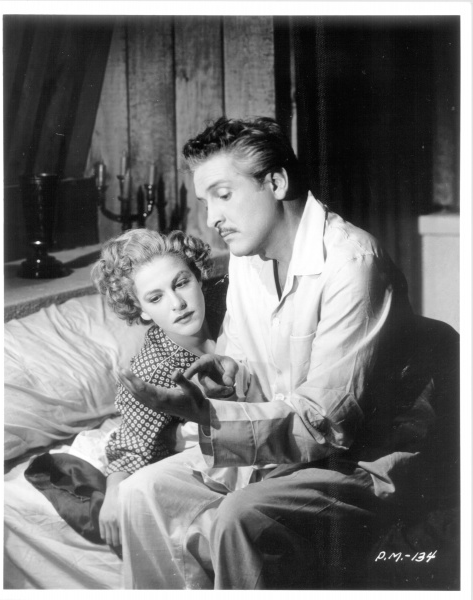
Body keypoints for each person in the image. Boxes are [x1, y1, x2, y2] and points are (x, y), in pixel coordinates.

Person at [117, 117, 429, 590]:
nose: (211, 218)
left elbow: (327, 423)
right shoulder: (247, 260)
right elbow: (245, 358)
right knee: (139, 492)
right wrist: (231, 373)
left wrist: (207, 416)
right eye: (205, 202)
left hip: (357, 459)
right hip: (281, 450)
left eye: (223, 195)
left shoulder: (354, 265)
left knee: (238, 517)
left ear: (277, 182)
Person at [90, 228, 229, 549]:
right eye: (156, 298)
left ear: (198, 277)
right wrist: (114, 493)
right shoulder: (152, 370)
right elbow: (133, 448)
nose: (178, 303)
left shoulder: (231, 301)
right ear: (140, 308)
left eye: (181, 283)